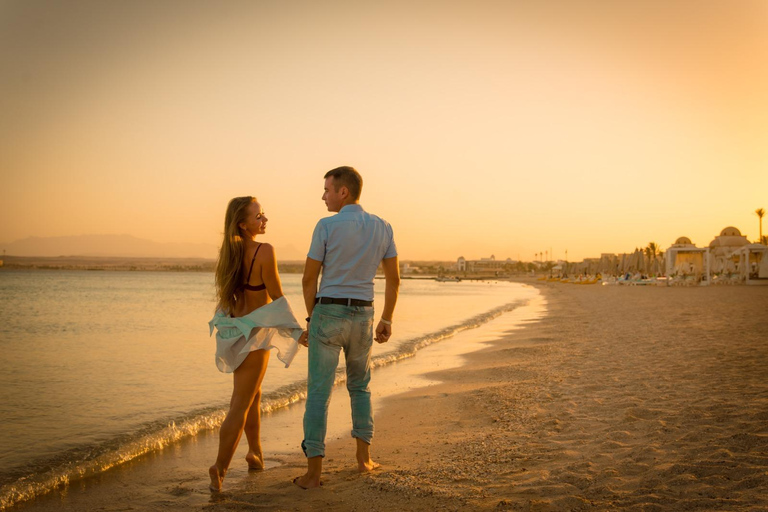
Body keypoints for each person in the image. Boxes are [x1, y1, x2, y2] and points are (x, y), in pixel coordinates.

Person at [293, 166, 400, 489]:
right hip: (364, 316)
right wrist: (387, 319)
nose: (323, 195)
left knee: (319, 394)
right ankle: (364, 460)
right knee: (360, 387)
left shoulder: (326, 226)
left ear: (344, 192)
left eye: (327, 189)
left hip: (329, 312)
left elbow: (309, 279)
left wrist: (312, 319)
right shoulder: (383, 227)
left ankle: (313, 474)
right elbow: (393, 279)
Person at [207, 196, 307, 492]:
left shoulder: (230, 253)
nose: (264, 220)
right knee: (239, 404)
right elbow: (277, 297)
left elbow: (228, 299)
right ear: (243, 224)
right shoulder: (264, 251)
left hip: (234, 333)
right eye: (259, 216)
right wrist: (297, 331)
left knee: (252, 395)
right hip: (254, 337)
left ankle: (255, 453)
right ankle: (220, 467)